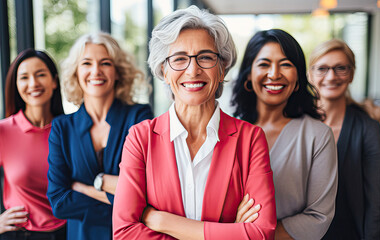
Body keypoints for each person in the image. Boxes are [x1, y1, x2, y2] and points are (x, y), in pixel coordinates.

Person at [113, 6, 276, 240]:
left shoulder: (250, 139)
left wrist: (163, 221)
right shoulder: (141, 138)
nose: (193, 70)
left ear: (221, 69)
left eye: (205, 58)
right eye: (179, 59)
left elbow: (261, 234)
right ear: (164, 71)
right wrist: (230, 233)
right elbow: (125, 233)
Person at [231, 29, 338, 240]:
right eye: (263, 64)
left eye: (286, 64)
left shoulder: (318, 136)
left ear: (298, 78)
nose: (274, 74)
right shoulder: (228, 131)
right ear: (248, 76)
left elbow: (318, 217)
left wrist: (250, 235)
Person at [46, 32, 153, 240]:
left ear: (118, 71)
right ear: (76, 72)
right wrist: (126, 202)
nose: (96, 71)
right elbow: (59, 202)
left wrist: (94, 184)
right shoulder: (62, 127)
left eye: (105, 63)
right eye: (86, 63)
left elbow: (148, 190)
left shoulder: (139, 116)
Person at [308, 39, 380, 240]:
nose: (331, 77)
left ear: (352, 74)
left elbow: (376, 201)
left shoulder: (368, 128)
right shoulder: (296, 122)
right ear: (309, 74)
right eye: (322, 68)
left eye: (341, 68)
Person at [0, 49, 66, 239]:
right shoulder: (3, 131)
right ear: (16, 85)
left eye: (40, 75)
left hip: (69, 232)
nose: (33, 83)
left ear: (54, 81)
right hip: (21, 235)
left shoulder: (69, 130)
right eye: (24, 77)